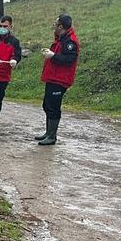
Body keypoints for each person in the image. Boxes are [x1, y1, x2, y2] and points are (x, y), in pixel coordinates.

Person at [37, 13, 79, 145]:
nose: (54, 26)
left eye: (56, 24)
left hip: (60, 79)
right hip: (53, 77)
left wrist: (53, 56)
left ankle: (52, 136)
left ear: (60, 26)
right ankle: (48, 132)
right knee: (47, 105)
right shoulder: (60, 39)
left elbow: (70, 59)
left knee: (53, 107)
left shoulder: (70, 41)